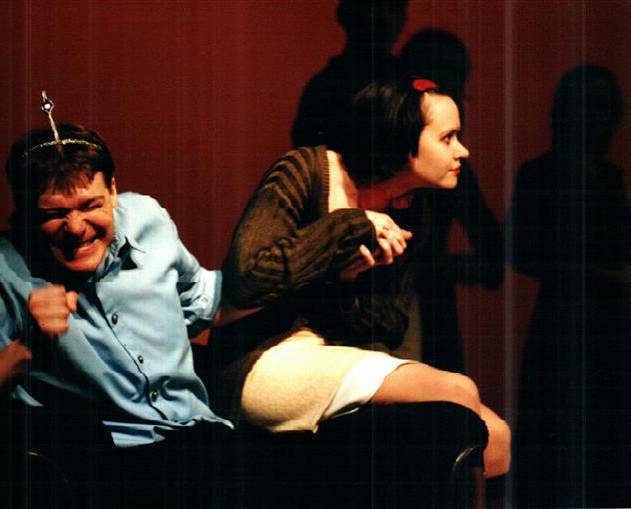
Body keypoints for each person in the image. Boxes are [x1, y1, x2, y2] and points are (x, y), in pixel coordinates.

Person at [0, 93, 253, 508]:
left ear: (113, 190)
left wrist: (304, 277)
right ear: (24, 212)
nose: (75, 227)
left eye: (90, 205)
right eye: (53, 214)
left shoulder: (148, 219)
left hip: (206, 437)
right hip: (117, 467)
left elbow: (205, 302)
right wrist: (23, 352)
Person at [213, 78, 511, 479]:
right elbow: (247, 278)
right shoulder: (306, 171)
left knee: (496, 435)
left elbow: (388, 328)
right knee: (458, 391)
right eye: (447, 138)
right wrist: (349, 226)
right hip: (263, 358)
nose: (462, 150)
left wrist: (349, 279)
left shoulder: (412, 211)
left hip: (335, 356)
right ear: (400, 137)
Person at [508, 65, 631, 508]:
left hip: (607, 328)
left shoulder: (609, 176)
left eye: (604, 107)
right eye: (588, 106)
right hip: (565, 326)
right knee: (558, 439)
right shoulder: (541, 174)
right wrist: (603, 274)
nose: (598, 117)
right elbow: (522, 251)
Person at [398, 28, 504, 373]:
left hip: (427, 311)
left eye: (454, 89)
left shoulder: (455, 172)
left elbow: (493, 256)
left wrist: (436, 268)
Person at [291, 0, 408, 147]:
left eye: (395, 8)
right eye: (374, 8)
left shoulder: (407, 78)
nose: (386, 18)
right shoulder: (324, 88)